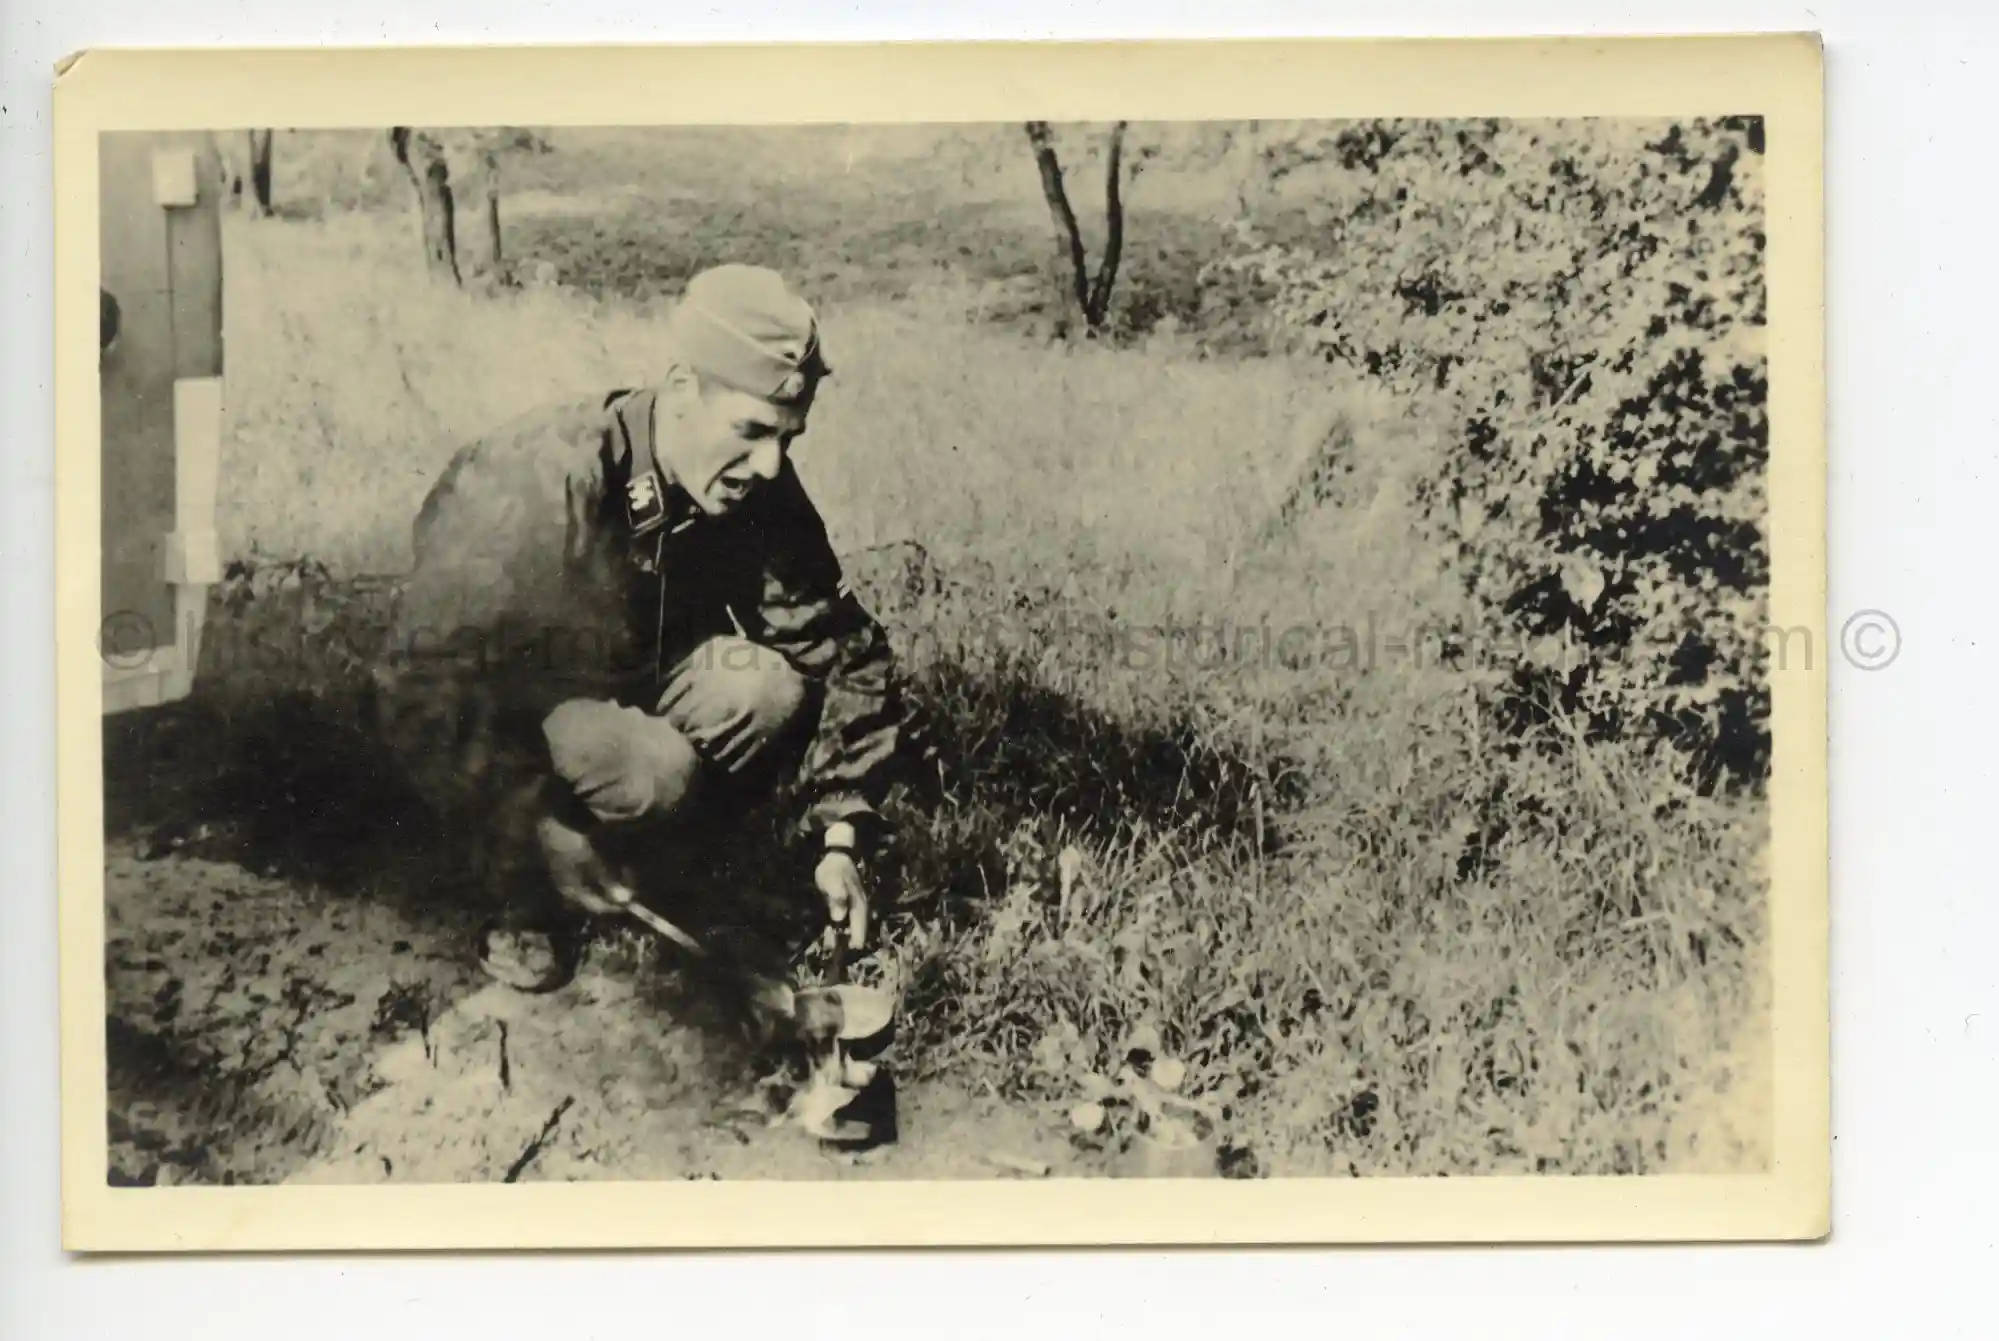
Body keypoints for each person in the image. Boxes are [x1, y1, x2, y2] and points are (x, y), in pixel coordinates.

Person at [369, 263, 903, 993]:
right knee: (652, 769)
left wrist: (841, 835)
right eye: (749, 430)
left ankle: (658, 866)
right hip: (510, 712)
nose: (770, 461)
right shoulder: (543, 478)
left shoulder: (753, 477)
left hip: (629, 680)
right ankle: (523, 898)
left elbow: (839, 646)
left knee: (767, 688)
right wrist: (533, 824)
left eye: (787, 436)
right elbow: (419, 681)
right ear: (682, 390)